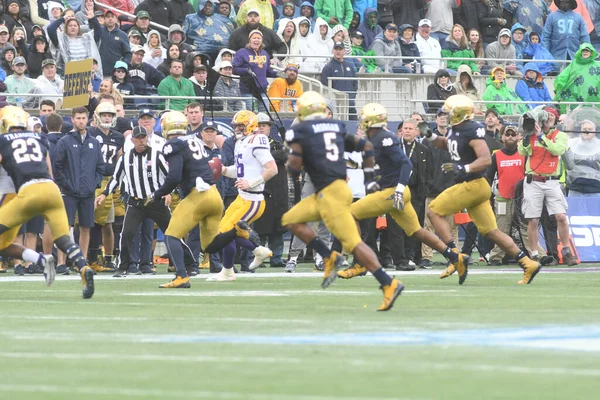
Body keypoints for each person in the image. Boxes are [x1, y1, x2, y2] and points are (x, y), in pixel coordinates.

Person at [282, 92, 404, 311]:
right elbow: (365, 147)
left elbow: (294, 169)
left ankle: (389, 283)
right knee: (291, 219)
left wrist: (290, 154)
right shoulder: (336, 126)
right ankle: (329, 256)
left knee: (353, 243)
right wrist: (369, 179)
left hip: (331, 194)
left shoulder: (301, 130)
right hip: (331, 192)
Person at [422, 94, 542, 284]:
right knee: (491, 231)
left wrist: (463, 168)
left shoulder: (472, 130)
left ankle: (455, 256)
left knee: (433, 211)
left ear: (458, 114)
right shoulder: (457, 128)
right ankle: (527, 262)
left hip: (473, 185)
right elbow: (448, 144)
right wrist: (431, 136)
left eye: (449, 112)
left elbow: (485, 159)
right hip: (476, 188)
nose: (446, 116)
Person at [0, 106, 95, 298]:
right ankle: (84, 268)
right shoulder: (39, 138)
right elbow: (48, 166)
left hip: (29, 192)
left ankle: (41, 261)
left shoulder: (2, 140)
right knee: (63, 239)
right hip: (52, 190)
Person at [96, 125, 196, 277]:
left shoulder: (157, 155)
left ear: (147, 138)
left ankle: (189, 264)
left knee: (173, 233)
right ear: (133, 139)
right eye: (139, 138)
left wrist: (168, 192)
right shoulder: (125, 158)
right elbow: (116, 178)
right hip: (136, 202)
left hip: (155, 201)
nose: (141, 141)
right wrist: (104, 194)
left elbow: (170, 176)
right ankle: (123, 267)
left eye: (144, 137)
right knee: (127, 234)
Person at [206, 110, 278, 281]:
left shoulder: (257, 141)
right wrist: (223, 170)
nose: (237, 129)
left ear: (251, 125)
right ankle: (257, 251)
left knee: (225, 234)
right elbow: (240, 172)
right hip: (242, 197)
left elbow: (272, 169)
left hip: (253, 199)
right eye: (236, 125)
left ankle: (228, 271)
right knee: (222, 231)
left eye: (241, 125)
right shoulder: (241, 143)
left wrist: (250, 183)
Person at [517, 106, 577, 265]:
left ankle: (566, 251)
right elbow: (522, 152)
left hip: (552, 181)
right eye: (547, 115)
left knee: (561, 216)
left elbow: (557, 150)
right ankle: (535, 254)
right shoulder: (532, 134)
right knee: (533, 219)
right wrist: (526, 135)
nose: (549, 117)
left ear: (556, 119)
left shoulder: (561, 135)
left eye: (553, 115)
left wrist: (540, 137)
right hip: (533, 181)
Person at [53, 106, 105, 271]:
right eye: (78, 118)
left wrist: (94, 184)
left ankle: (81, 263)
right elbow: (57, 166)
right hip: (69, 192)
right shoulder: (64, 141)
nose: (81, 121)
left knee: (86, 227)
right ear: (72, 120)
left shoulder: (94, 142)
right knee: (65, 227)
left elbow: (100, 167)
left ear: (88, 119)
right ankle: (61, 262)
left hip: (87, 192)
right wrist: (66, 184)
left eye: (83, 118)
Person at [486, 125, 545, 265]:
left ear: (518, 136)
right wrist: (487, 196)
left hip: (522, 198)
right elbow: (488, 178)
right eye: (508, 134)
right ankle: (496, 257)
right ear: (502, 137)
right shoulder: (496, 155)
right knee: (501, 230)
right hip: (502, 197)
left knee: (526, 228)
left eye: (513, 134)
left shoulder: (524, 154)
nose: (510, 137)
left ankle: (539, 255)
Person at [87, 102, 125, 273]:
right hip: (92, 180)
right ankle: (89, 257)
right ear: (97, 117)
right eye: (104, 115)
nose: (107, 118)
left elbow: (119, 158)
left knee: (108, 223)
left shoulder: (118, 137)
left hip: (109, 182)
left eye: (109, 115)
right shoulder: (90, 133)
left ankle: (108, 258)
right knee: (88, 221)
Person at [421, 110, 459, 268]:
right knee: (428, 225)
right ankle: (427, 256)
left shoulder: (455, 139)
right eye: (440, 116)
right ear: (435, 119)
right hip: (432, 188)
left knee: (452, 226)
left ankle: (455, 255)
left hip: (451, 189)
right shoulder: (427, 140)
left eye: (445, 116)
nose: (443, 118)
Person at [252, 112, 289, 269]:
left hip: (278, 191)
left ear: (269, 128)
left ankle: (277, 257)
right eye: (258, 126)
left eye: (264, 126)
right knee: (260, 228)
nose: (261, 129)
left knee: (277, 228)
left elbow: (285, 155)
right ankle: (259, 256)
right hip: (260, 189)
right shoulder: (250, 144)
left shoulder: (276, 144)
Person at [232, 29, 278, 112]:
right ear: (250, 40)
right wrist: (246, 70)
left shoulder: (265, 53)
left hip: (262, 90)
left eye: (258, 38)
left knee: (265, 115)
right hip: (247, 90)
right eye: (254, 38)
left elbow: (267, 71)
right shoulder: (242, 52)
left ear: (261, 40)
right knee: (250, 115)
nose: (256, 40)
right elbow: (234, 69)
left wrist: (279, 74)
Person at [554, 43, 600, 114]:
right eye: (583, 50)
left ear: (591, 53)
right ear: (580, 52)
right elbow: (562, 77)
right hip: (575, 99)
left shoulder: (597, 65)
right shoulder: (573, 64)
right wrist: (559, 86)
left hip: (594, 100)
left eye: (587, 51)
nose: (585, 52)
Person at [320, 41, 358, 119]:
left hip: (350, 104)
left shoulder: (350, 66)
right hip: (335, 107)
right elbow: (325, 87)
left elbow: (355, 84)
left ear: (344, 51)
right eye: (336, 49)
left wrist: (351, 97)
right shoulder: (328, 67)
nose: (338, 51)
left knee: (354, 126)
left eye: (340, 49)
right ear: (333, 50)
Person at [564, 120, 600, 197]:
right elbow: (568, 163)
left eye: (590, 129)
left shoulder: (599, 145)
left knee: (594, 209)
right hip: (575, 188)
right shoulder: (571, 143)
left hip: (595, 188)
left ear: (595, 131)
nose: (587, 131)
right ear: (580, 130)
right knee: (574, 209)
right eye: (585, 129)